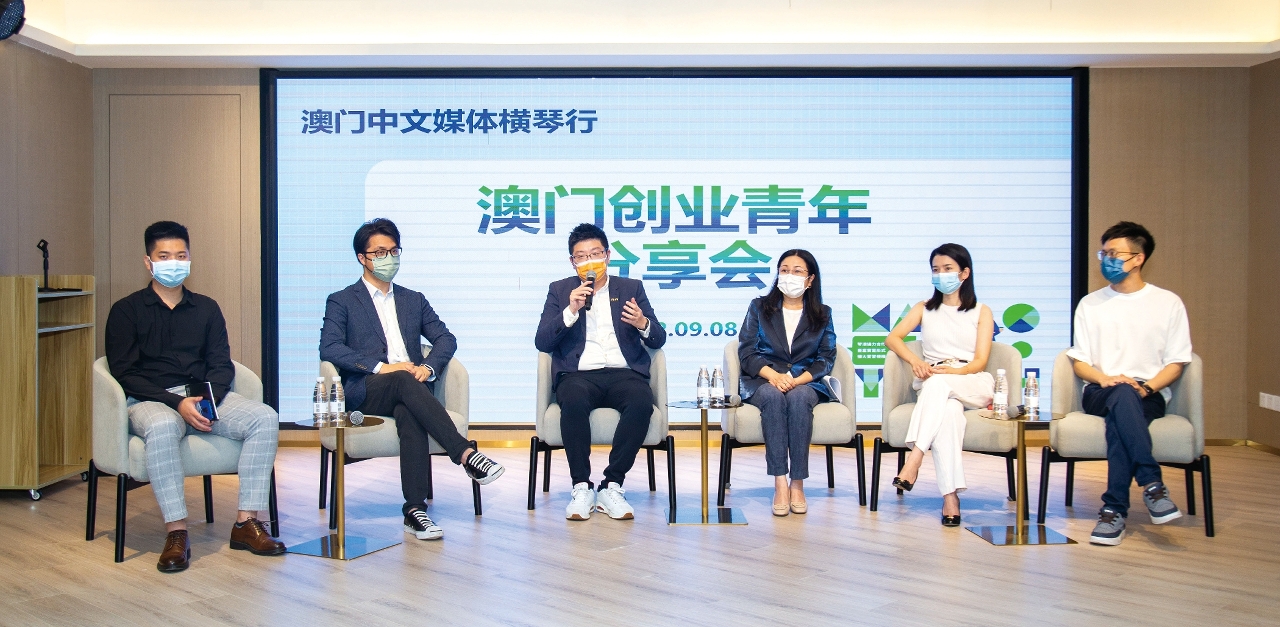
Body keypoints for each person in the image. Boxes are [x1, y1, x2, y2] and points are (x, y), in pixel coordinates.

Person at [105, 221, 285, 573]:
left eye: (180, 255)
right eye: (164, 256)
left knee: (264, 417)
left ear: (189, 258)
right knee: (162, 425)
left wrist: (203, 401)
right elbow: (125, 373)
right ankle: (177, 532)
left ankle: (246, 523)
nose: (173, 263)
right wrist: (176, 403)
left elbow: (221, 364)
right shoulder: (126, 310)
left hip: (203, 395)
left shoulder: (206, 308)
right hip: (150, 399)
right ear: (148, 262)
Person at [320, 218, 504, 542]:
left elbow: (445, 338)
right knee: (404, 379)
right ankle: (464, 454)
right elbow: (330, 347)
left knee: (409, 409)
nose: (388, 258)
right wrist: (381, 368)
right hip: (368, 389)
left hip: (411, 390)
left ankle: (415, 511)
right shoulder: (342, 300)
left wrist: (428, 368)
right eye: (380, 252)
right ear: (362, 257)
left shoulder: (413, 299)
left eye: (394, 251)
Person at [1068, 222, 1191, 546]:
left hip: (1147, 393)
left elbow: (1176, 363)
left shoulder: (1168, 303)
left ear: (1138, 258)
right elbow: (1080, 362)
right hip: (1100, 390)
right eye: (1103, 254)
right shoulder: (1090, 304)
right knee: (1121, 393)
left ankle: (1113, 511)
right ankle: (1152, 484)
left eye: (1114, 254)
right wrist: (1104, 378)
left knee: (1119, 423)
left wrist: (1146, 388)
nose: (1106, 260)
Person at [535, 223, 667, 521]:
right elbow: (542, 342)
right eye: (582, 256)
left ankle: (612, 485)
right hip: (579, 375)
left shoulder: (631, 288)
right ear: (573, 262)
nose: (589, 261)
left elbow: (658, 338)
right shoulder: (560, 290)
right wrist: (570, 310)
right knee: (572, 400)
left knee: (641, 401)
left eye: (595, 254)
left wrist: (642, 323)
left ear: (607, 255)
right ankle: (581, 486)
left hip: (624, 373)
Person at [884, 243, 994, 527]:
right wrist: (915, 362)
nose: (941, 274)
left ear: (964, 273)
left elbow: (981, 360)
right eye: (936, 269)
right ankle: (950, 498)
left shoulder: (981, 311)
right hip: (936, 380)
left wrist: (955, 372)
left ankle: (914, 459)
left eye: (948, 269)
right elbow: (893, 338)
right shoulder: (924, 308)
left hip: (971, 379)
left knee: (938, 384)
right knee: (949, 416)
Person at [737, 250, 838, 517]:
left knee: (799, 397)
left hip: (806, 382)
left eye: (797, 271)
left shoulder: (823, 314)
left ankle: (798, 483)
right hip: (763, 379)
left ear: (810, 279)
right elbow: (747, 351)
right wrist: (774, 376)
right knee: (772, 397)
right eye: (784, 270)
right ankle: (780, 482)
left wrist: (796, 380)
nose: (789, 275)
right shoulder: (759, 307)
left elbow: (826, 358)